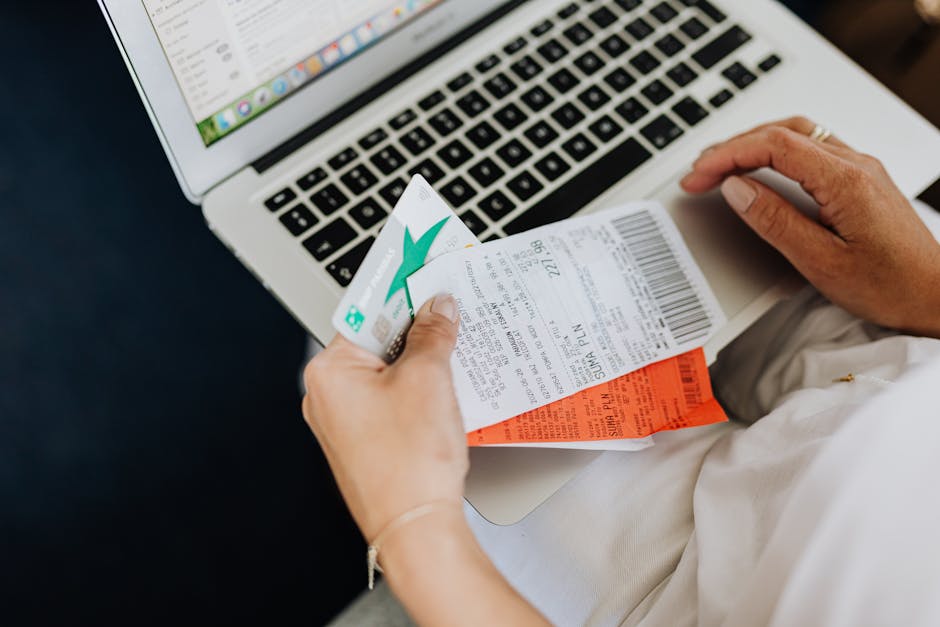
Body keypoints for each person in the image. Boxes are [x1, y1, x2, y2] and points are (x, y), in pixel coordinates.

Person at [303, 117, 940, 626]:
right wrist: (927, 294)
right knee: (723, 216)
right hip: (909, 369)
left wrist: (412, 524)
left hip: (692, 587)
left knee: (336, 344)